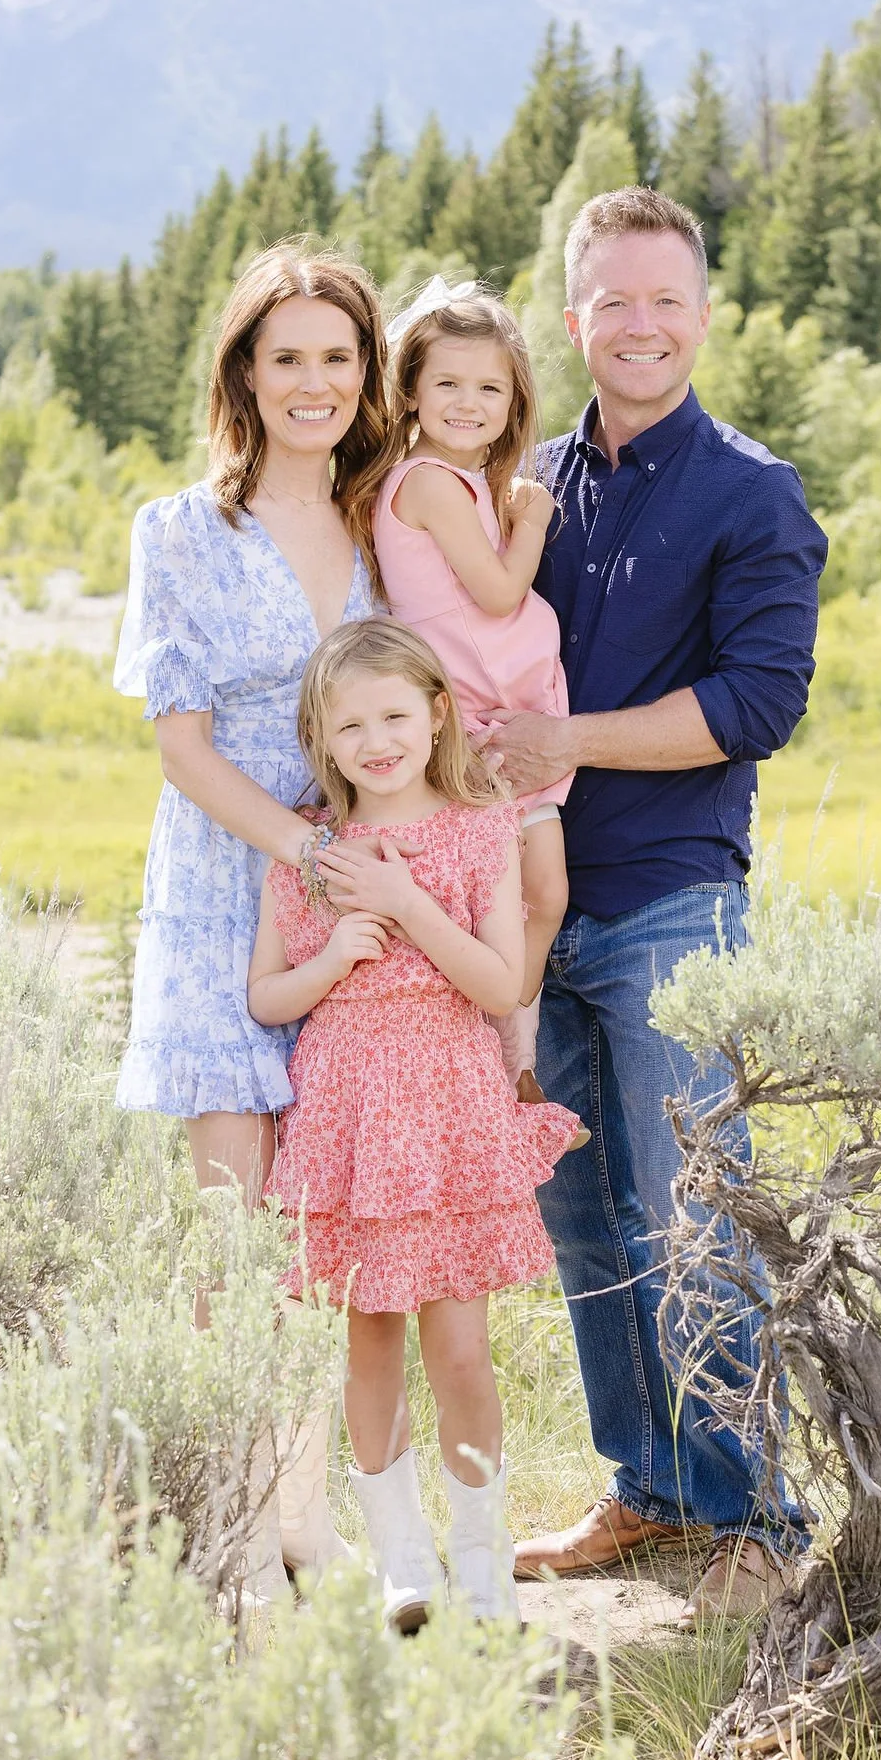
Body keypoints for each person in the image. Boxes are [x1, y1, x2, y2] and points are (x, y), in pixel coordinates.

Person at [485, 186, 828, 1621]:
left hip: (671, 904)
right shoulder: (527, 491)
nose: (640, 324)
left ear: (703, 312)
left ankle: (757, 1520)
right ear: (574, 321)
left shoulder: (753, 492)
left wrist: (572, 743)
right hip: (526, 917)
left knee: (692, 1221)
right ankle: (648, 1489)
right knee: (583, 1219)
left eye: (664, 298)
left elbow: (762, 702)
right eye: (610, 300)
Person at [112, 239, 390, 1600]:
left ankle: (303, 1522)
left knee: (322, 1229)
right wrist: (302, 851)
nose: (314, 382)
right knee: (233, 1242)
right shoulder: (179, 531)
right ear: (244, 372)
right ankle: (225, 1528)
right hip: (233, 894)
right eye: (288, 357)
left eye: (338, 357)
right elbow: (183, 748)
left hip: (360, 915)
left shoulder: (386, 524)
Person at [251, 618, 583, 1628]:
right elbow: (268, 996)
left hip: (446, 1115)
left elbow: (500, 980)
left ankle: (479, 1562)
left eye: (394, 714)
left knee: (461, 1351)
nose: (375, 741)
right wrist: (336, 955)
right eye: (348, 726)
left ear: (436, 712)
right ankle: (403, 1561)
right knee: (368, 1345)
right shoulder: (307, 850)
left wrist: (404, 898)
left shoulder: (482, 827)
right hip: (350, 1125)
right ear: (320, 738)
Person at [373, 279, 570, 1087]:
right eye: (447, 383)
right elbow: (495, 593)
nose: (468, 402)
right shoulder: (428, 482)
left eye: (489, 387)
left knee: (545, 899)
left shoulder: (462, 483)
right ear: (411, 389)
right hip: (478, 729)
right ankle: (498, 1060)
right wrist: (532, 522)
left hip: (508, 717)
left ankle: (506, 1059)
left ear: (514, 397)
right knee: (523, 901)